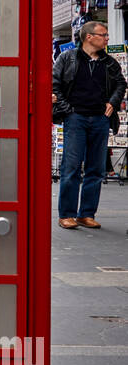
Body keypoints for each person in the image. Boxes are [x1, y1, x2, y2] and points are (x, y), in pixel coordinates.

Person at [53, 23, 127, 229]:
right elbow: (54, 83)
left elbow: (121, 83)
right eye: (103, 35)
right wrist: (67, 109)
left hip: (100, 120)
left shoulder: (109, 63)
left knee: (96, 169)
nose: (107, 39)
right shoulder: (67, 58)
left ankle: (86, 214)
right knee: (71, 167)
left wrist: (113, 102)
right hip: (76, 118)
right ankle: (66, 214)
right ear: (88, 37)